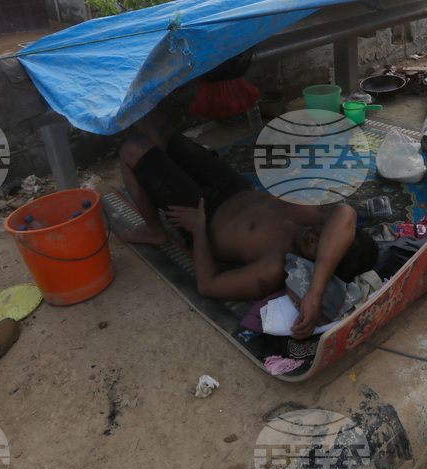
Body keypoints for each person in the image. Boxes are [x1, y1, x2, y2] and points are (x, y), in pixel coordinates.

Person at [118, 111, 378, 338]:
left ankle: (154, 231)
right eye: (325, 237)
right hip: (231, 186)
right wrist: (316, 292)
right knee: (151, 121)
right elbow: (345, 213)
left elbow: (208, 285)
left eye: (317, 247)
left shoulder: (275, 267)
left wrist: (198, 228)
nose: (314, 235)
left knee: (133, 147)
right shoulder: (315, 219)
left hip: (202, 214)